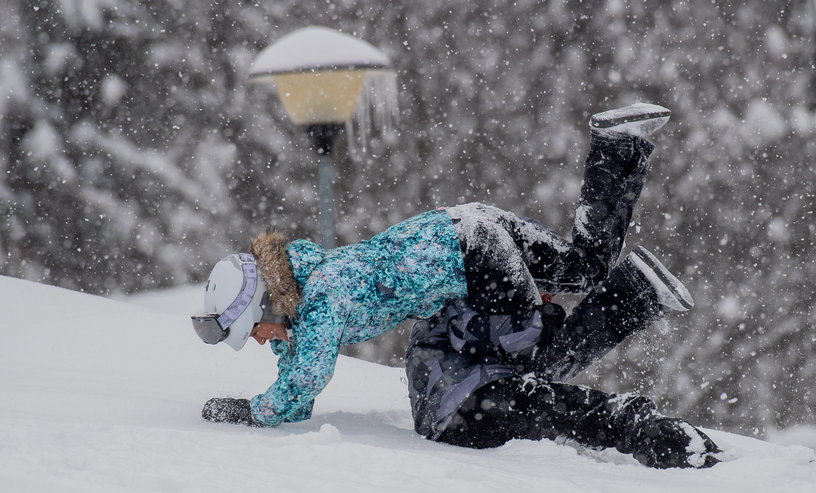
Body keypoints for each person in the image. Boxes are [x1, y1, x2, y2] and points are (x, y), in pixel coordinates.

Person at [193, 103, 720, 468]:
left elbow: (304, 381)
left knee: (532, 355)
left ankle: (631, 300)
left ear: (265, 299)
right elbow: (299, 349)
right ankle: (620, 144)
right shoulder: (308, 276)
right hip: (466, 225)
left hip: (472, 259)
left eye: (252, 330)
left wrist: (251, 411)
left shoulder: (325, 293)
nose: (259, 340)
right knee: (585, 267)